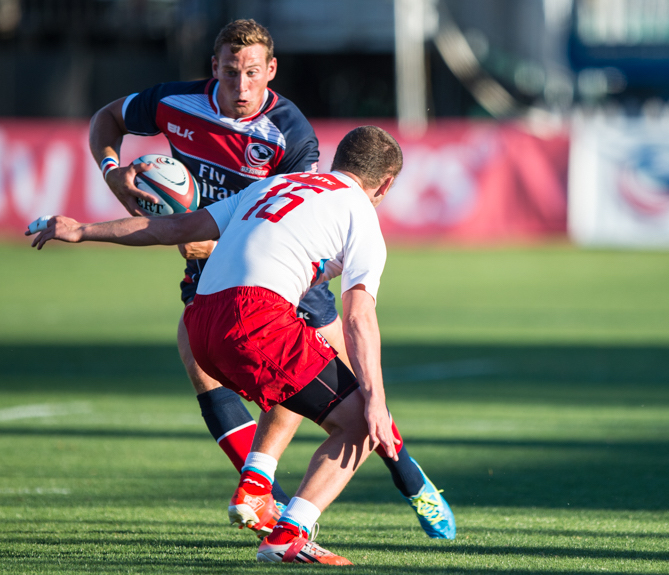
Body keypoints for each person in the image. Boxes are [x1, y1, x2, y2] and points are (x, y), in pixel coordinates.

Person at [87, 19, 454, 540]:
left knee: (345, 375)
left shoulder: (290, 132)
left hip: (279, 269)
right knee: (203, 363)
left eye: (252, 73)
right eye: (231, 72)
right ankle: (262, 495)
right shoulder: (172, 102)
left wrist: (206, 242)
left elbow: (288, 216)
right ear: (213, 67)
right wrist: (110, 171)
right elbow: (107, 119)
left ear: (271, 71)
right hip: (212, 264)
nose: (241, 86)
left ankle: (410, 477)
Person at [28, 126, 454, 564]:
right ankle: (288, 535)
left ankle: (255, 486)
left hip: (200, 324)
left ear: (336, 162)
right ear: (385, 185)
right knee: (360, 425)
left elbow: (174, 226)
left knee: (293, 371)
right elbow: (359, 316)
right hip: (254, 320)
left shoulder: (274, 184)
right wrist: (377, 402)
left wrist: (82, 230)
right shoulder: (361, 213)